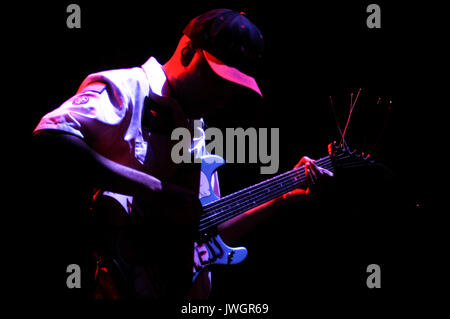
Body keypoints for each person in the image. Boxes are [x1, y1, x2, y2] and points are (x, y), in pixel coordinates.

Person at [32, 8, 333, 299]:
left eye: (233, 87)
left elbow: (208, 232)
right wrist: (157, 191)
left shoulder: (196, 131)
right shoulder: (128, 89)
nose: (224, 95)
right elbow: (50, 140)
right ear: (188, 51)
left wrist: (282, 197)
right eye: (218, 79)